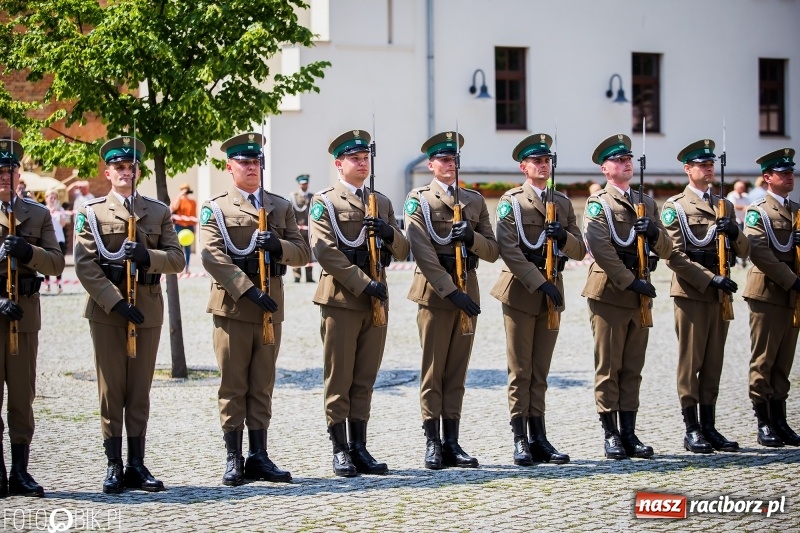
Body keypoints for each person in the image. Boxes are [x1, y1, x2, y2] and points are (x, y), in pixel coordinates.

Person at [74, 136, 185, 494]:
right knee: (112, 389)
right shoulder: (92, 213)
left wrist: (147, 257)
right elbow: (85, 265)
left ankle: (137, 463)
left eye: (131, 167)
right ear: (107, 173)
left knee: (139, 389)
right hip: (108, 311)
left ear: (138, 171)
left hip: (147, 308)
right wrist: (115, 301)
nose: (126, 172)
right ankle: (114, 465)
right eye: (118, 167)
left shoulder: (157, 211)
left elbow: (177, 259)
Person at [200, 132, 310, 486]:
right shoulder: (216, 208)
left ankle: (259, 455)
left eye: (256, 161)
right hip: (234, 307)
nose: (252, 167)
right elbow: (211, 256)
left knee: (262, 383)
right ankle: (234, 456)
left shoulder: (280, 206)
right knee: (234, 383)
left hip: (269, 309)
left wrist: (278, 245)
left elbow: (303, 252)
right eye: (245, 162)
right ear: (229, 167)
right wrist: (247, 290)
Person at [309, 130, 409, 477]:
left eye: (365, 158)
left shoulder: (380, 202)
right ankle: (340, 449)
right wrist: (364, 284)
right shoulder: (325, 202)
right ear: (339, 164)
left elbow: (403, 250)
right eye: (354, 158)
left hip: (376, 301)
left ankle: (359, 447)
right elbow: (325, 251)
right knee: (339, 376)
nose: (362, 163)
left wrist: (388, 232)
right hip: (342, 299)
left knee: (365, 376)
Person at [405, 131, 499, 470]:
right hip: (435, 293)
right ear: (431, 165)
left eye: (454, 159)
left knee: (457, 369)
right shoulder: (418, 199)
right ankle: (432, 441)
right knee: (434, 370)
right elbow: (422, 251)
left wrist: (471, 238)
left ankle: (452, 441)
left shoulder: (473, 201)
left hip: (467, 289)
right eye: (444, 159)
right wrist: (452, 291)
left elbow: (493, 250)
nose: (451, 164)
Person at [490, 134, 586, 466]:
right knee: (521, 369)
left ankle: (539, 437)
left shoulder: (562, 203)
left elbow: (580, 249)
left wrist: (564, 236)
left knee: (541, 370)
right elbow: (508, 249)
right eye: (536, 161)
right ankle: (520, 438)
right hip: (521, 292)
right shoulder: (512, 201)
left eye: (547, 161)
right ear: (524, 167)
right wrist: (540, 283)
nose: (543, 166)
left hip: (552, 293)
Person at [582, 134, 672, 460]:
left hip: (640, 295)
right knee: (609, 366)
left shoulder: (646, 202)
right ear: (605, 169)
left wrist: (655, 233)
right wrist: (630, 282)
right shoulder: (598, 203)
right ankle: (611, 434)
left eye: (628, 159)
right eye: (619, 160)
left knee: (633, 366)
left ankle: (630, 433)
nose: (626, 164)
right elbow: (600, 248)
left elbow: (667, 248)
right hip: (610, 292)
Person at [661, 139, 750, 454]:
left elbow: (744, 251)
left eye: (711, 164)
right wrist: (710, 279)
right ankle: (692, 429)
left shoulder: (724, 205)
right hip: (693, 291)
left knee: (714, 360)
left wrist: (735, 232)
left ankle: (709, 425)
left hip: (720, 292)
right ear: (688, 169)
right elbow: (673, 255)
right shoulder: (675, 207)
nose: (708, 169)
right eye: (702, 164)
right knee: (692, 361)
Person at [0, 138, 65, 497]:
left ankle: (20, 471)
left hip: (24, 314)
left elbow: (56, 263)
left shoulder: (37, 215)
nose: (4, 177)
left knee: (22, 397)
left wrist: (28, 251)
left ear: (18, 174)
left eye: (10, 171)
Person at [743, 147, 800, 448]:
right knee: (764, 359)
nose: (789, 176)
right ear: (768, 177)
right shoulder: (758, 211)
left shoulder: (797, 210)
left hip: (792, 294)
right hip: (768, 291)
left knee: (784, 360)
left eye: (791, 172)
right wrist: (792, 280)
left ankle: (780, 419)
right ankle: (763, 421)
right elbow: (759, 251)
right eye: (783, 172)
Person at [43, 188, 69, 294]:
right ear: (46, 198)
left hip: (59, 239)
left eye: (55, 198)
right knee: (46, 261)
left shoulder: (60, 209)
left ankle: (59, 284)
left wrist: (60, 214)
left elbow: (63, 224)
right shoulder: (44, 209)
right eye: (51, 197)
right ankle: (47, 283)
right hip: (47, 239)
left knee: (59, 262)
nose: (53, 200)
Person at [290, 174, 315, 283]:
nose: (304, 185)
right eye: (302, 184)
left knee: (309, 252)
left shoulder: (312, 196)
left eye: (306, 183)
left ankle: (309, 277)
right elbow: (291, 213)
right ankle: (297, 276)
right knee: (297, 252)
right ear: (299, 184)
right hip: (297, 230)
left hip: (309, 230)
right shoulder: (293, 197)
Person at [169, 182, 197, 274]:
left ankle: (187, 267)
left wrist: (194, 227)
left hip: (189, 227)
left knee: (188, 249)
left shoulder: (192, 202)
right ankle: (179, 267)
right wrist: (180, 195)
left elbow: (194, 215)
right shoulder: (178, 200)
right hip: (179, 226)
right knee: (178, 248)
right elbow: (174, 207)